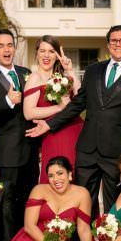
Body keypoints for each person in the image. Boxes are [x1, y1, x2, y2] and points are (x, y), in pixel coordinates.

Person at [27, 26, 121, 215]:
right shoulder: (93, 70)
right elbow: (77, 104)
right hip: (87, 150)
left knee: (112, 205)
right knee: (83, 202)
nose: (118, 44)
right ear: (108, 44)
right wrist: (50, 124)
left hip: (115, 151)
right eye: (113, 41)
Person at [0, 29, 41, 238]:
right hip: (7, 155)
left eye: (9, 45)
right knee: (7, 206)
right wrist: (7, 102)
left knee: (28, 203)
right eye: (1, 46)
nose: (6, 50)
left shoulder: (26, 73)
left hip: (31, 152)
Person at [22, 35, 82, 181]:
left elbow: (81, 96)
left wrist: (70, 70)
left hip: (77, 133)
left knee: (75, 178)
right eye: (42, 51)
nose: (46, 55)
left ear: (57, 55)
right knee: (58, 178)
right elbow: (28, 113)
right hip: (54, 136)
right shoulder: (34, 78)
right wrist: (59, 107)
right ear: (36, 53)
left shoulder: (62, 76)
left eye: (51, 51)